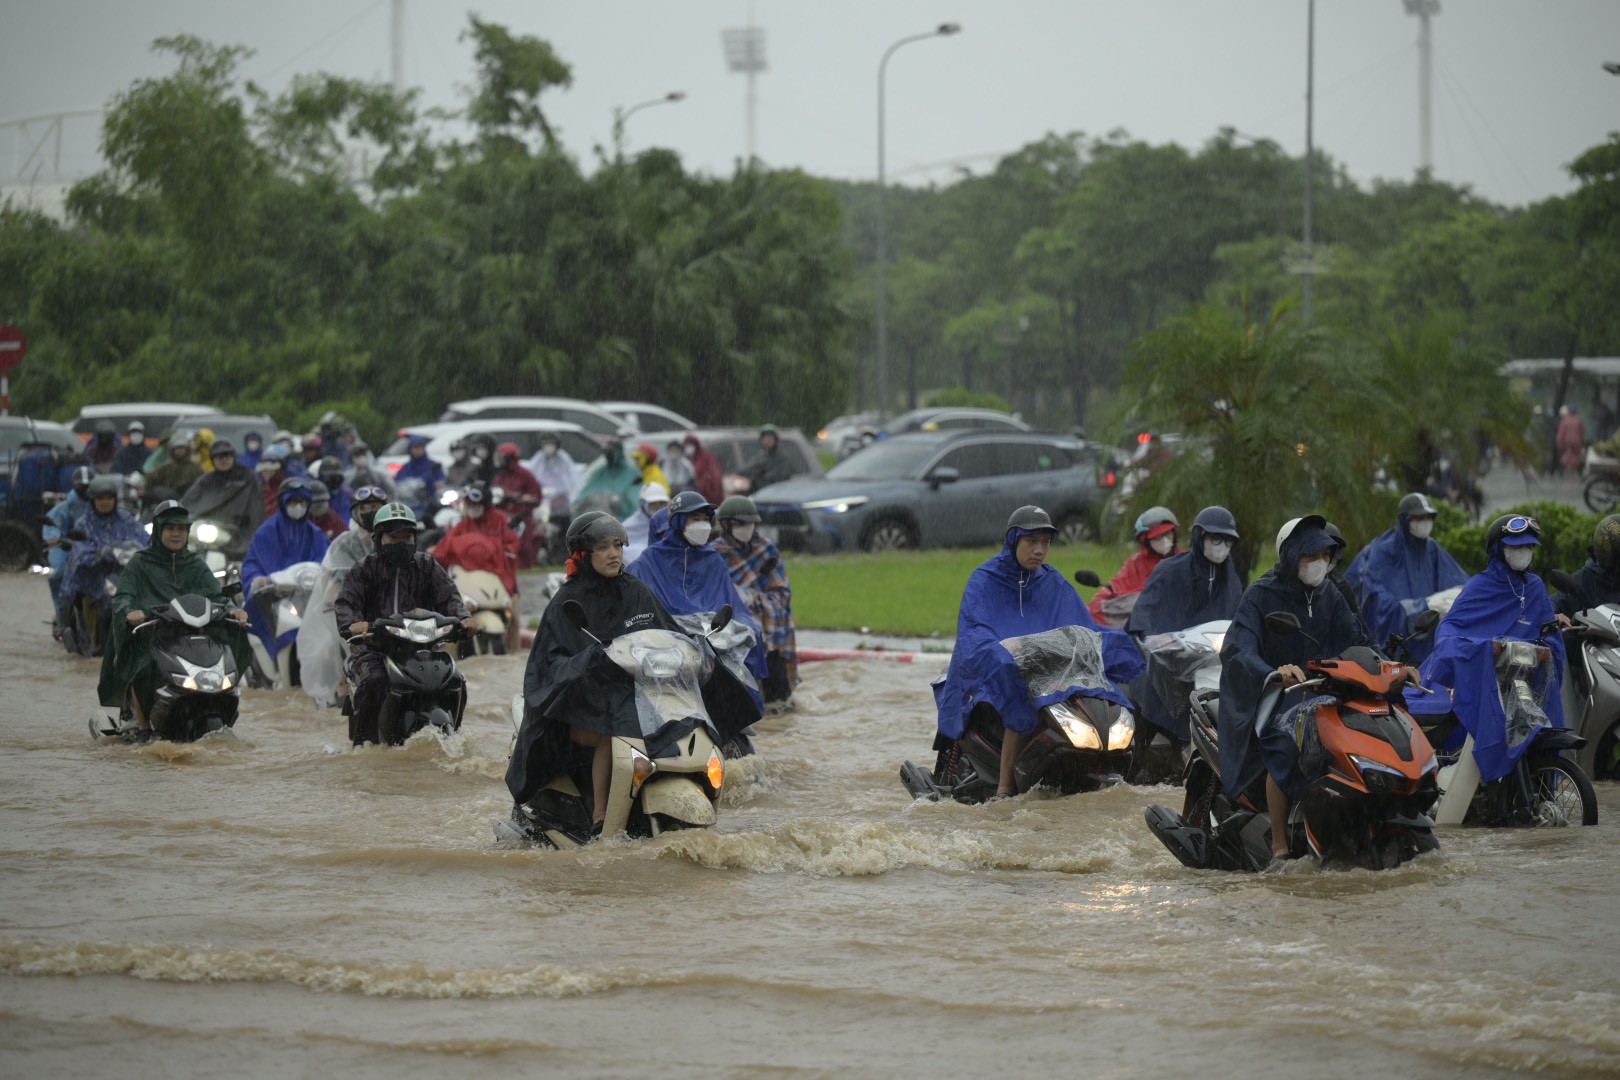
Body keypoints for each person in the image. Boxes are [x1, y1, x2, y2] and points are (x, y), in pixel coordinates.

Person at [934, 505, 1145, 800]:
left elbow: (1081, 624)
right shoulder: (984, 580)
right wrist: (1002, 654)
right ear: (1013, 541)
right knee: (1021, 699)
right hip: (999, 670)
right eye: (1031, 541)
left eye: (1045, 542)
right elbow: (975, 630)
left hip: (1052, 669)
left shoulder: (1052, 581)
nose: (1039, 550)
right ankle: (1005, 788)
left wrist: (1116, 642)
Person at [506, 512, 684, 834]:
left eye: (618, 545)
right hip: (580, 705)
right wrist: (590, 660)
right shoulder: (567, 601)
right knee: (612, 727)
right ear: (583, 554)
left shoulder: (636, 590)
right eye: (603, 547)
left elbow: (668, 632)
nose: (614, 553)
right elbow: (549, 666)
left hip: (633, 694)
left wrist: (694, 647)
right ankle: (603, 817)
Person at [1218, 515, 1369, 864]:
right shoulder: (1260, 594)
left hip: (1327, 691)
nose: (1318, 563)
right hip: (1275, 695)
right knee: (1287, 747)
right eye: (1309, 555)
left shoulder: (1330, 594)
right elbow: (1238, 648)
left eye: (1325, 555)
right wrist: (1273, 672)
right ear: (1290, 556)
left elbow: (1359, 639)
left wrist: (1392, 666)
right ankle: (1280, 848)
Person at [1413, 514, 1564, 782]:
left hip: (1521, 684)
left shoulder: (1536, 588)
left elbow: (1550, 634)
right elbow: (1449, 630)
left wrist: (1548, 648)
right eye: (1516, 546)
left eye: (1528, 547)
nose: (1523, 552)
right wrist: (1482, 648)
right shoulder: (1479, 586)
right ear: (1498, 548)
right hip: (1485, 680)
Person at [96, 501, 251, 736]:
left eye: (181, 529)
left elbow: (216, 595)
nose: (176, 534)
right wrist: (130, 612)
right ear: (159, 531)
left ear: (187, 533)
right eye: (170, 529)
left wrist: (232, 610)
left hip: (194, 635)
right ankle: (143, 725)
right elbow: (123, 597)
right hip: (153, 636)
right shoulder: (140, 563)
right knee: (142, 662)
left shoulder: (195, 564)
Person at [335, 503, 476, 745]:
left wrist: (463, 618)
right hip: (373, 648)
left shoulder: (427, 566)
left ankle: (456, 739)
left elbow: (449, 597)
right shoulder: (364, 569)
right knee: (375, 681)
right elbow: (346, 603)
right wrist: (355, 624)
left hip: (421, 649)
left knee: (455, 679)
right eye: (393, 536)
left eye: (406, 536)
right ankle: (365, 745)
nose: (401, 541)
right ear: (379, 539)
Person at [627, 490, 770, 696]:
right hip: (669, 633)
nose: (702, 524)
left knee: (751, 633)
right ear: (678, 521)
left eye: (705, 519)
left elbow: (731, 604)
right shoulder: (650, 560)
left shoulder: (712, 559)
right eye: (695, 518)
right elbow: (640, 607)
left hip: (714, 629)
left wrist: (745, 626)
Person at [1343, 493, 1467, 661]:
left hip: (1431, 651)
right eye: (1419, 517)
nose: (1425, 522)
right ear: (1405, 519)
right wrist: (1423, 607)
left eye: (1429, 517)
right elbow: (1376, 604)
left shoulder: (1432, 549)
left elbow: (1462, 584)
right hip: (1394, 654)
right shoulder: (1383, 550)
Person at [298, 485, 390, 709]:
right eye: (365, 508)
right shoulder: (344, 544)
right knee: (350, 655)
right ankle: (345, 690)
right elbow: (334, 587)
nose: (370, 512)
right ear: (355, 512)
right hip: (353, 614)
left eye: (376, 507)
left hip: (392, 613)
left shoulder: (393, 538)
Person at [713, 495, 798, 707]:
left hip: (770, 633)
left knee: (779, 704)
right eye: (740, 523)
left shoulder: (766, 550)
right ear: (725, 525)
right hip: (731, 632)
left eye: (750, 523)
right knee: (736, 704)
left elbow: (781, 593)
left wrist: (753, 600)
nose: (746, 528)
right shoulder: (712, 555)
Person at [242, 477, 330, 666]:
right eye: (292, 502)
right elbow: (252, 563)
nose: (298, 507)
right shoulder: (266, 532)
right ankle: (264, 665)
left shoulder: (316, 534)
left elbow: (329, 563)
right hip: (275, 597)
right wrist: (256, 579)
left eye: (302, 502)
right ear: (283, 503)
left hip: (309, 597)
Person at [432, 483, 522, 652]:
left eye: (476, 505)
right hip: (470, 582)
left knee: (515, 619)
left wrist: (504, 551)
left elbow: (513, 544)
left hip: (499, 579)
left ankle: (515, 652)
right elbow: (445, 546)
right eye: (469, 505)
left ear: (485, 504)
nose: (472, 508)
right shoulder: (464, 524)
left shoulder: (499, 521)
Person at [59, 475, 149, 629]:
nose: (105, 502)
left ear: (115, 499)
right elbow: (80, 552)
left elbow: (145, 541)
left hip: (124, 575)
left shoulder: (127, 520)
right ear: (93, 500)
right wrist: (101, 554)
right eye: (100, 498)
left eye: (108, 498)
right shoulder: (84, 524)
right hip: (93, 579)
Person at [1088, 506, 1181, 628]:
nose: (1164, 541)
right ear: (1145, 541)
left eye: (1168, 535)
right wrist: (1089, 611)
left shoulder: (1185, 559)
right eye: (1157, 537)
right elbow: (1113, 589)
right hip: (1144, 629)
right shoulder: (1135, 564)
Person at [181, 439, 265, 541]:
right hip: (208, 529)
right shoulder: (208, 479)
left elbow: (256, 506)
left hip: (239, 530)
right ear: (213, 461)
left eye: (227, 456)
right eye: (219, 457)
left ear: (233, 457)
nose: (223, 460)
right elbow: (189, 500)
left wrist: (247, 524)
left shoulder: (247, 477)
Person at [43, 467, 93, 619]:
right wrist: (58, 538)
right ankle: (61, 614)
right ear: (74, 486)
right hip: (72, 553)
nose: (84, 490)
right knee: (56, 577)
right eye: (81, 486)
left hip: (99, 553)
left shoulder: (103, 504)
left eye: (88, 486)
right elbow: (52, 525)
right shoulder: (67, 506)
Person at [1554, 514, 1620, 618]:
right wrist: (1555, 616)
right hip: (1596, 634)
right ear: (1611, 555)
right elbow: (1557, 602)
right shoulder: (1585, 581)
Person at [492, 442, 544, 568]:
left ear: (510, 457)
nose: (499, 460)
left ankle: (526, 566)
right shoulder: (501, 475)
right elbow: (495, 493)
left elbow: (536, 496)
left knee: (524, 544)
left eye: (502, 457)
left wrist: (520, 499)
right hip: (503, 516)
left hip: (522, 515)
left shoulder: (525, 475)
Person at [575, 439, 643, 518]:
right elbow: (586, 492)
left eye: (610, 453)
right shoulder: (600, 472)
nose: (607, 456)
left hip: (621, 520)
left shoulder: (633, 474)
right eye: (606, 453)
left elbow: (634, 501)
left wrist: (616, 502)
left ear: (618, 452)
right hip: (595, 518)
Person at [526, 432, 583, 520]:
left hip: (561, 501)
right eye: (546, 443)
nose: (548, 446)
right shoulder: (538, 460)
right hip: (542, 501)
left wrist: (571, 496)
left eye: (551, 443)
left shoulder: (563, 459)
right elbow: (530, 475)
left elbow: (573, 479)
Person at [736, 424, 794, 493]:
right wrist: (737, 474)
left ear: (775, 440)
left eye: (770, 438)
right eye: (765, 438)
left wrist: (755, 481)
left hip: (775, 494)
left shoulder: (781, 458)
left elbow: (775, 479)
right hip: (759, 494)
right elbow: (748, 469)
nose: (767, 441)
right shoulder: (761, 456)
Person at [144, 433, 202, 500]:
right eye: (177, 448)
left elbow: (201, 486)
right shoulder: (166, 468)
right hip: (167, 503)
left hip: (189, 502)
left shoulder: (195, 469)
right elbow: (150, 480)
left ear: (187, 450)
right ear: (173, 450)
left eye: (182, 448)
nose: (180, 451)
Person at [623, 482, 670, 564]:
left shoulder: (671, 524)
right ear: (643, 503)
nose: (658, 507)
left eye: (662, 503)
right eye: (653, 503)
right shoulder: (627, 527)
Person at [395, 435, 444, 504]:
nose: (417, 450)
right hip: (409, 503)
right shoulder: (405, 468)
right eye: (415, 447)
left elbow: (441, 481)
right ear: (410, 449)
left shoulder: (434, 465)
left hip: (430, 503)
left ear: (424, 448)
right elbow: (398, 485)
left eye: (419, 447)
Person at [683, 433, 725, 506]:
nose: (688, 447)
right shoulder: (686, 460)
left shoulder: (707, 458)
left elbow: (715, 477)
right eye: (686, 445)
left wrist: (703, 487)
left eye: (690, 445)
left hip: (709, 498)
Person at [257, 445, 290, 518]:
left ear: (279, 469)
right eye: (264, 469)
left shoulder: (286, 488)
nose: (267, 473)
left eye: (271, 469)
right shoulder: (258, 486)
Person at [316, 457, 352, 524]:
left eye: (337, 476)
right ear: (321, 477)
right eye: (330, 477)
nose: (335, 479)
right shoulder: (316, 495)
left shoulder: (349, 494)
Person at [1556, 406, 1586, 476]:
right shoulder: (1579, 420)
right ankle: (1575, 473)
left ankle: (1566, 474)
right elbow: (1582, 432)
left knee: (1567, 458)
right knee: (1576, 458)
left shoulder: (1565, 421)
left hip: (1567, 443)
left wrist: (1560, 443)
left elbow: (1561, 434)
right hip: (1577, 443)